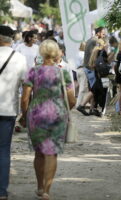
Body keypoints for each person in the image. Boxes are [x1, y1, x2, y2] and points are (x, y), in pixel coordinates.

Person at [21, 39, 76, 200]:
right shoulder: (63, 72)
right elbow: (72, 99)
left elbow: (25, 98)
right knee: (52, 153)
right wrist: (63, 111)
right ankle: (46, 190)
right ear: (56, 52)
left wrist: (24, 115)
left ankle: (39, 186)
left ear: (41, 52)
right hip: (57, 115)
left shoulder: (33, 71)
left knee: (39, 153)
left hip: (36, 115)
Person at [0, 25, 27, 200]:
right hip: (8, 109)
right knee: (3, 150)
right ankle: (2, 191)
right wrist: (24, 112)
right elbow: (26, 87)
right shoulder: (20, 58)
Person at [77, 27, 106, 116]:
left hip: (88, 67)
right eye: (103, 33)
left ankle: (92, 109)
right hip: (91, 68)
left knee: (94, 88)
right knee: (94, 89)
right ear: (98, 33)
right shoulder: (96, 41)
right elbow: (94, 56)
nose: (104, 35)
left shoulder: (91, 40)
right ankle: (82, 105)